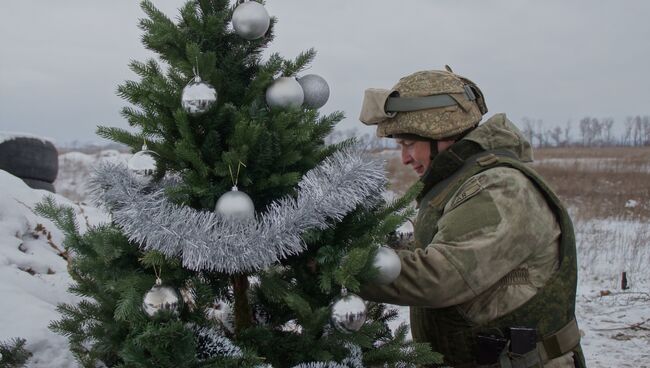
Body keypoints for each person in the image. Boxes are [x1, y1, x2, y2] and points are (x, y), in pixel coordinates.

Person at [358, 67, 585, 368]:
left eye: (408, 144)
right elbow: (428, 247)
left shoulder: (501, 188)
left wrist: (341, 263)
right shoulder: (459, 184)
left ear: (440, 133)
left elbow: (441, 276)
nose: (404, 158)